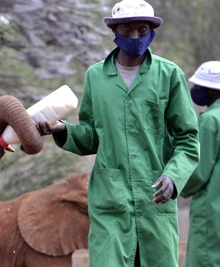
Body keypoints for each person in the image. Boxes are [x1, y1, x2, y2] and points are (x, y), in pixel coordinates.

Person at [36, 0, 200, 266]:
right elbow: (93, 135)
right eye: (127, 29)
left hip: (154, 199)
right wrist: (63, 130)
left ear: (151, 30)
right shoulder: (96, 76)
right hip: (111, 201)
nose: (135, 36)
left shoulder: (169, 74)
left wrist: (173, 175)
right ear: (115, 31)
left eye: (142, 28)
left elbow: (188, 139)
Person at [181, 61, 220, 267]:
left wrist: (176, 184)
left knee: (206, 258)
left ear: (213, 92)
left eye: (199, 87)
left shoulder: (210, 120)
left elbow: (199, 170)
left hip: (211, 208)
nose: (195, 92)